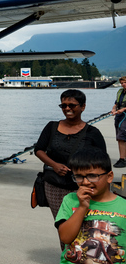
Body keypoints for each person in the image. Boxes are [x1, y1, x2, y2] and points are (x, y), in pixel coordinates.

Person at [54, 146, 126, 264]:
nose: (85, 182)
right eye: (79, 176)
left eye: (92, 175)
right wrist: (82, 207)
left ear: (109, 177)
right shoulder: (70, 200)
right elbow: (65, 237)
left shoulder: (123, 207)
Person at [35, 89, 107, 220]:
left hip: (82, 187)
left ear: (83, 106)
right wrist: (54, 165)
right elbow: (39, 149)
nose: (67, 108)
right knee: (62, 224)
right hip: (54, 186)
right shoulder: (51, 127)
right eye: (63, 105)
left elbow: (103, 161)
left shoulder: (92, 133)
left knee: (84, 224)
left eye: (72, 105)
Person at [110, 76, 126, 168]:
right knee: (119, 137)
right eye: (122, 83)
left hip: (125, 116)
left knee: (121, 137)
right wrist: (113, 109)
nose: (123, 84)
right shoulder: (120, 91)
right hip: (119, 116)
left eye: (124, 82)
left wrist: (123, 109)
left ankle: (122, 159)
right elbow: (116, 103)